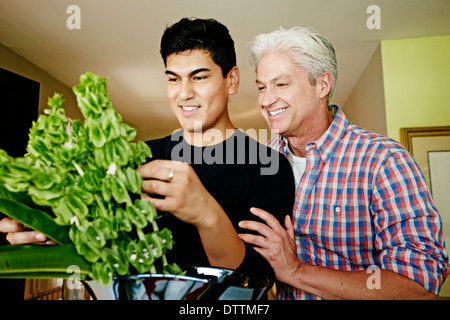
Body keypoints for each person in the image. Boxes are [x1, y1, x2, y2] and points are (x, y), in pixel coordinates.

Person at [0, 18, 295, 290]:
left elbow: (255, 280)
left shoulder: (268, 166)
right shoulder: (137, 157)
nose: (183, 93)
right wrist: (48, 234)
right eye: (173, 78)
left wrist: (205, 212)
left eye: (199, 77)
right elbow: (101, 245)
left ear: (231, 81)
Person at [238, 26, 449, 300]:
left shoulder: (384, 160)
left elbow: (418, 286)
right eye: (262, 87)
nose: (266, 99)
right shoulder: (260, 163)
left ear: (322, 85)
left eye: (281, 84)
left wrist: (296, 271)